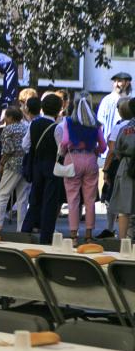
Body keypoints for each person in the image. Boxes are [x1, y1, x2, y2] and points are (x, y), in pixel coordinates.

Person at [59, 97, 106, 243]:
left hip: (73, 159)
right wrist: (95, 151)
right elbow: (103, 146)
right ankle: (89, 234)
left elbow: (65, 141)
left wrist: (62, 152)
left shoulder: (68, 121)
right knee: (90, 199)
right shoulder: (95, 123)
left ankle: (73, 235)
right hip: (90, 159)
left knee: (73, 198)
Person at [22, 93, 65, 245]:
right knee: (50, 202)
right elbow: (61, 150)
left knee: (34, 199)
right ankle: (46, 237)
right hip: (52, 168)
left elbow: (25, 145)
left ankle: (25, 231)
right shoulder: (57, 127)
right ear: (58, 110)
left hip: (36, 166)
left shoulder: (33, 124)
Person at [108, 100, 135, 240]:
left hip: (126, 165)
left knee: (124, 207)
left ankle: (123, 241)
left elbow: (116, 150)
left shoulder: (125, 129)